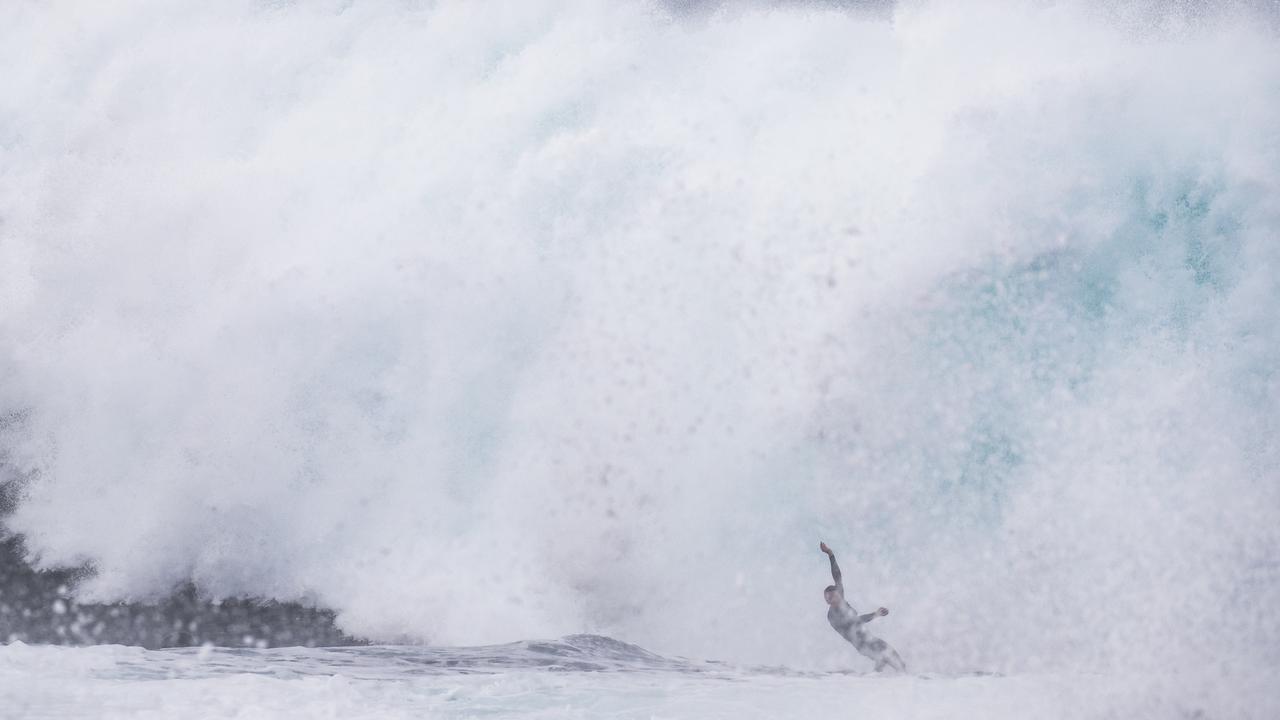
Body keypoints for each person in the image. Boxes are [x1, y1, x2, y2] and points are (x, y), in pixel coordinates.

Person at [820, 541, 906, 672]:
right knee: (887, 659)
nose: (830, 599)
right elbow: (855, 622)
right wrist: (875, 614)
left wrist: (830, 554)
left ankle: (893, 683)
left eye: (833, 595)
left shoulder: (840, 599)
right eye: (828, 598)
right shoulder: (832, 616)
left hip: (870, 639)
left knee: (896, 663)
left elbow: (837, 576)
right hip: (863, 645)